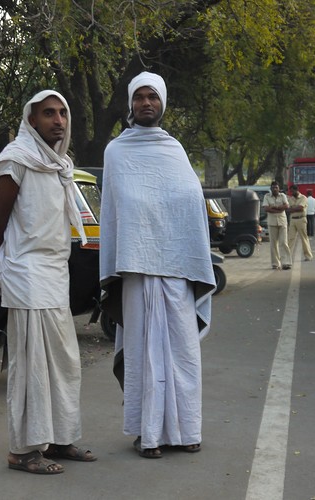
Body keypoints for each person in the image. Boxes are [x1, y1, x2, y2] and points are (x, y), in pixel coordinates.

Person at [100, 72, 215, 459]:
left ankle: (187, 431)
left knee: (182, 352)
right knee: (142, 353)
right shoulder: (116, 151)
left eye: (153, 97)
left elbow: (189, 203)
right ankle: (146, 434)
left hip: (178, 268)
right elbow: (117, 211)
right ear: (130, 104)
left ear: (162, 103)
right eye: (139, 97)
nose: (146, 103)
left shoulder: (175, 150)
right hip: (135, 269)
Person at [0, 90, 96, 475]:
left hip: (54, 273)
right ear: (31, 120)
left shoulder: (59, 164)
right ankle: (23, 451)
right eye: (48, 113)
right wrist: (16, 266)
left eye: (63, 112)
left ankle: (60, 440)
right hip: (27, 275)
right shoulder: (16, 160)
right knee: (31, 365)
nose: (58, 120)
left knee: (63, 363)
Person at [262, 181, 292, 270]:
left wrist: (275, 207)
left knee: (283, 242)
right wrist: (279, 209)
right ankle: (275, 264)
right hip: (272, 223)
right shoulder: (267, 196)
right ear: (271, 188)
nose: (275, 189)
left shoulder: (283, 196)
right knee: (273, 244)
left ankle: (286, 263)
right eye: (273, 187)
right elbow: (266, 208)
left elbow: (286, 206)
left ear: (279, 188)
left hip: (282, 222)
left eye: (276, 187)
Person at [288, 184, 313, 261]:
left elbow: (301, 208)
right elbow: (288, 209)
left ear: (296, 190)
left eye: (292, 191)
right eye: (291, 191)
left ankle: (308, 256)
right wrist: (295, 208)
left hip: (301, 219)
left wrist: (293, 208)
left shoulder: (303, 198)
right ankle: (287, 256)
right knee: (290, 239)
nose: (292, 193)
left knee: (304, 238)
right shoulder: (291, 199)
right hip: (292, 220)